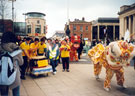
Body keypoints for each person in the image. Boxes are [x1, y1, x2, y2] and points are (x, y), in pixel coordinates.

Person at [0, 31, 23, 96]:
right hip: (14, 75)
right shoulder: (16, 49)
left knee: (4, 94)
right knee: (16, 93)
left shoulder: (0, 48)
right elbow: (21, 63)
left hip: (1, 75)